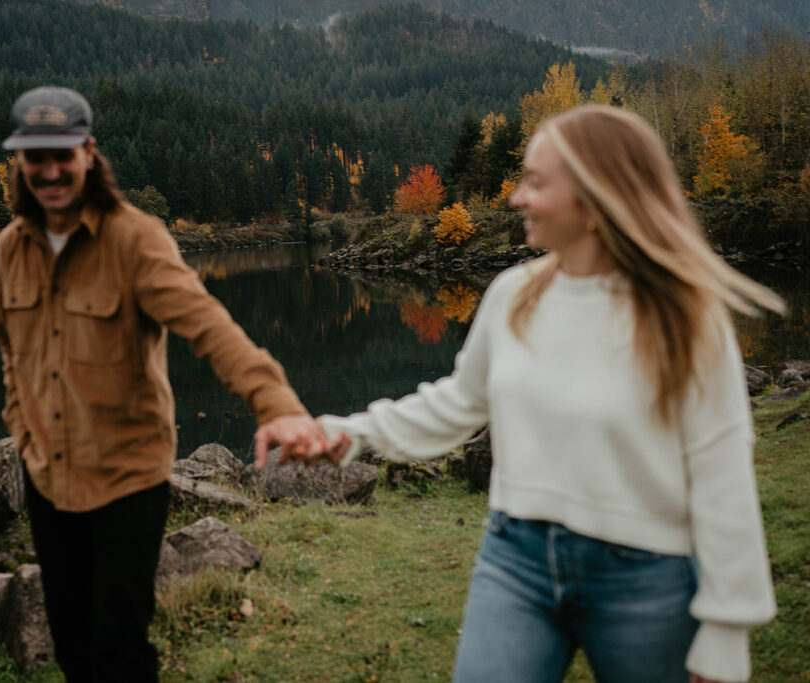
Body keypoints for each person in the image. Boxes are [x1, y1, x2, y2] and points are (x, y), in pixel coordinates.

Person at [304, 105, 783, 682]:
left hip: (646, 575)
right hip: (516, 560)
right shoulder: (512, 293)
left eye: (535, 181)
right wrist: (350, 434)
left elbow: (721, 470)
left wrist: (726, 631)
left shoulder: (685, 314)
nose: (516, 198)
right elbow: (459, 402)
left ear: (595, 196)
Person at [0, 85, 335, 682]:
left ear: (89, 153)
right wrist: (21, 429)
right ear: (19, 162)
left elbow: (207, 324)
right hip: (46, 473)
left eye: (62, 154)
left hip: (126, 476)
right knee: (72, 647)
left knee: (120, 651)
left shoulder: (134, 238)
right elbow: (9, 354)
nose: (49, 171)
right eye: (34, 156)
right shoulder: (9, 248)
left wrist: (272, 401)